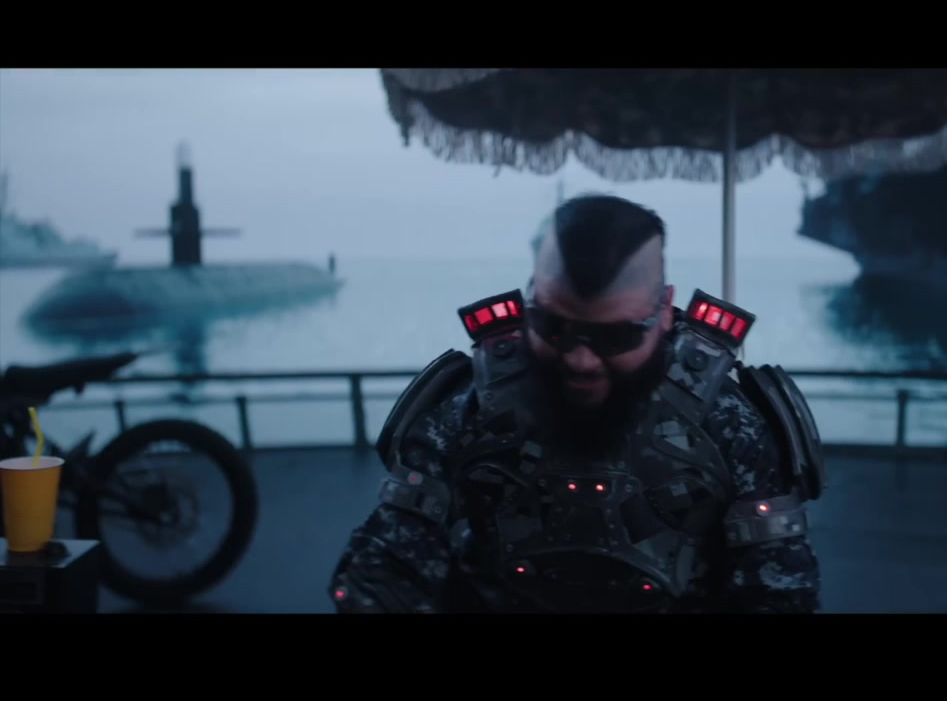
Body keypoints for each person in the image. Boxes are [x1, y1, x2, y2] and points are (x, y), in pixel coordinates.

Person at [329, 194, 825, 613]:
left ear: (664, 311)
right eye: (554, 328)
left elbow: (778, 587)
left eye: (615, 337)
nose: (581, 360)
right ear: (531, 303)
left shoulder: (728, 422)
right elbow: (389, 562)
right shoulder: (469, 409)